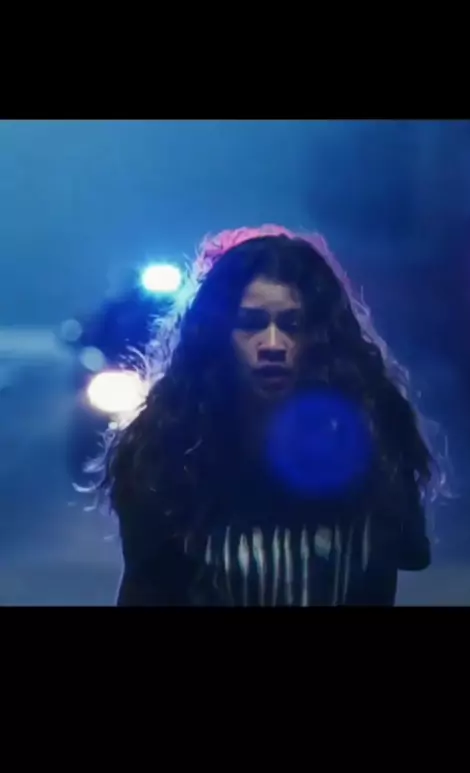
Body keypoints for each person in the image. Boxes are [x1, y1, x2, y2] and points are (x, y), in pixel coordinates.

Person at [98, 225, 444, 606]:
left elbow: (391, 572)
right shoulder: (165, 450)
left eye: (292, 325)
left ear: (320, 335)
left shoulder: (374, 438)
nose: (273, 344)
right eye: (251, 324)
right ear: (217, 334)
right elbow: (146, 592)